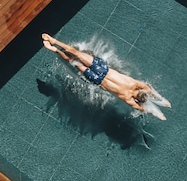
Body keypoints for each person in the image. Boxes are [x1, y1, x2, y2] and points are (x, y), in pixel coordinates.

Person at [42, 34, 170, 119]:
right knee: (73, 61)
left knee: (77, 54)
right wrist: (158, 113)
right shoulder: (128, 98)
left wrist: (160, 99)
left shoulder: (135, 84)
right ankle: (55, 49)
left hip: (102, 69)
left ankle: (54, 42)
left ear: (141, 91)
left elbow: (149, 89)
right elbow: (144, 109)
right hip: (98, 79)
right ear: (138, 99)